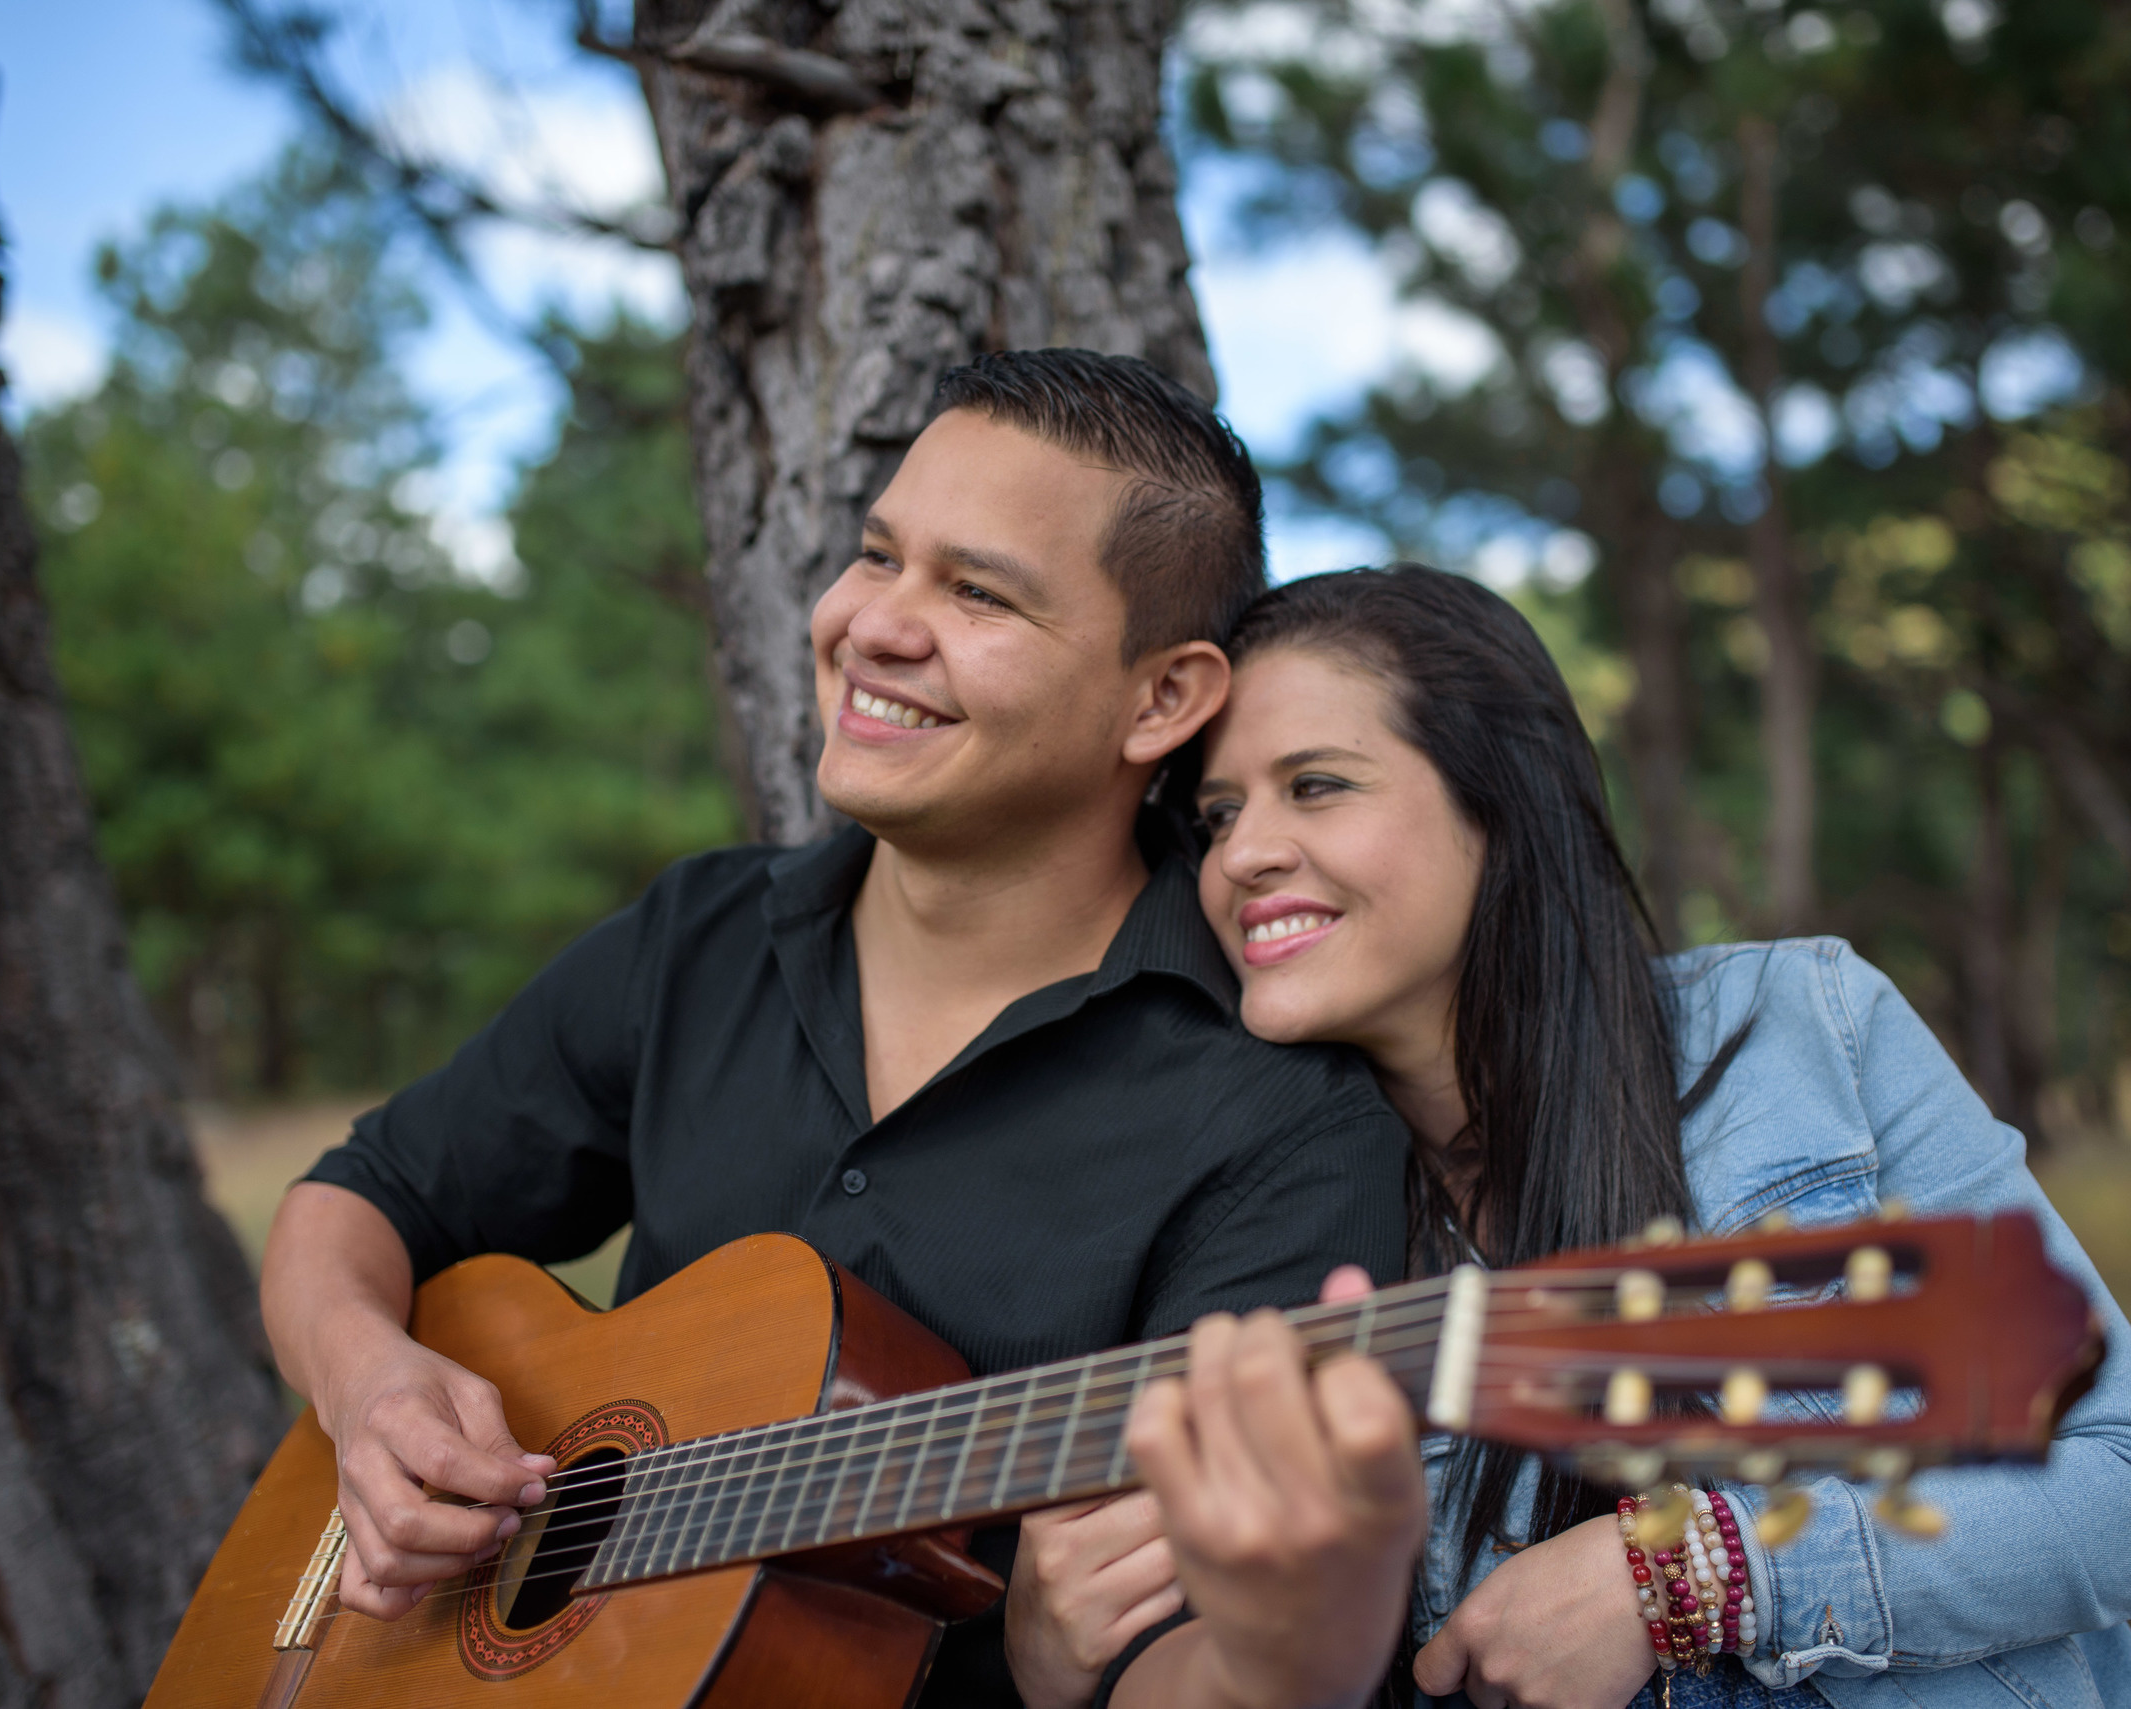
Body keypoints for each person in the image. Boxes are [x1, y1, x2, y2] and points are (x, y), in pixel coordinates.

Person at [258, 351, 1411, 1707]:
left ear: (1160, 699)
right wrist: (369, 1388)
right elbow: (363, 1197)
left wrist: (1075, 1661)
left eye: (978, 592)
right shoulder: (702, 935)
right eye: (880, 556)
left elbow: (1205, 1666)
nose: (873, 625)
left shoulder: (1282, 1119)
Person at [1005, 564, 2131, 1709]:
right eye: (1216, 816)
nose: (1244, 853)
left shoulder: (1800, 1028)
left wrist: (1686, 1575)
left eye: (1315, 783)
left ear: (1502, 801)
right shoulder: (1265, 1225)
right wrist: (1058, 1663)